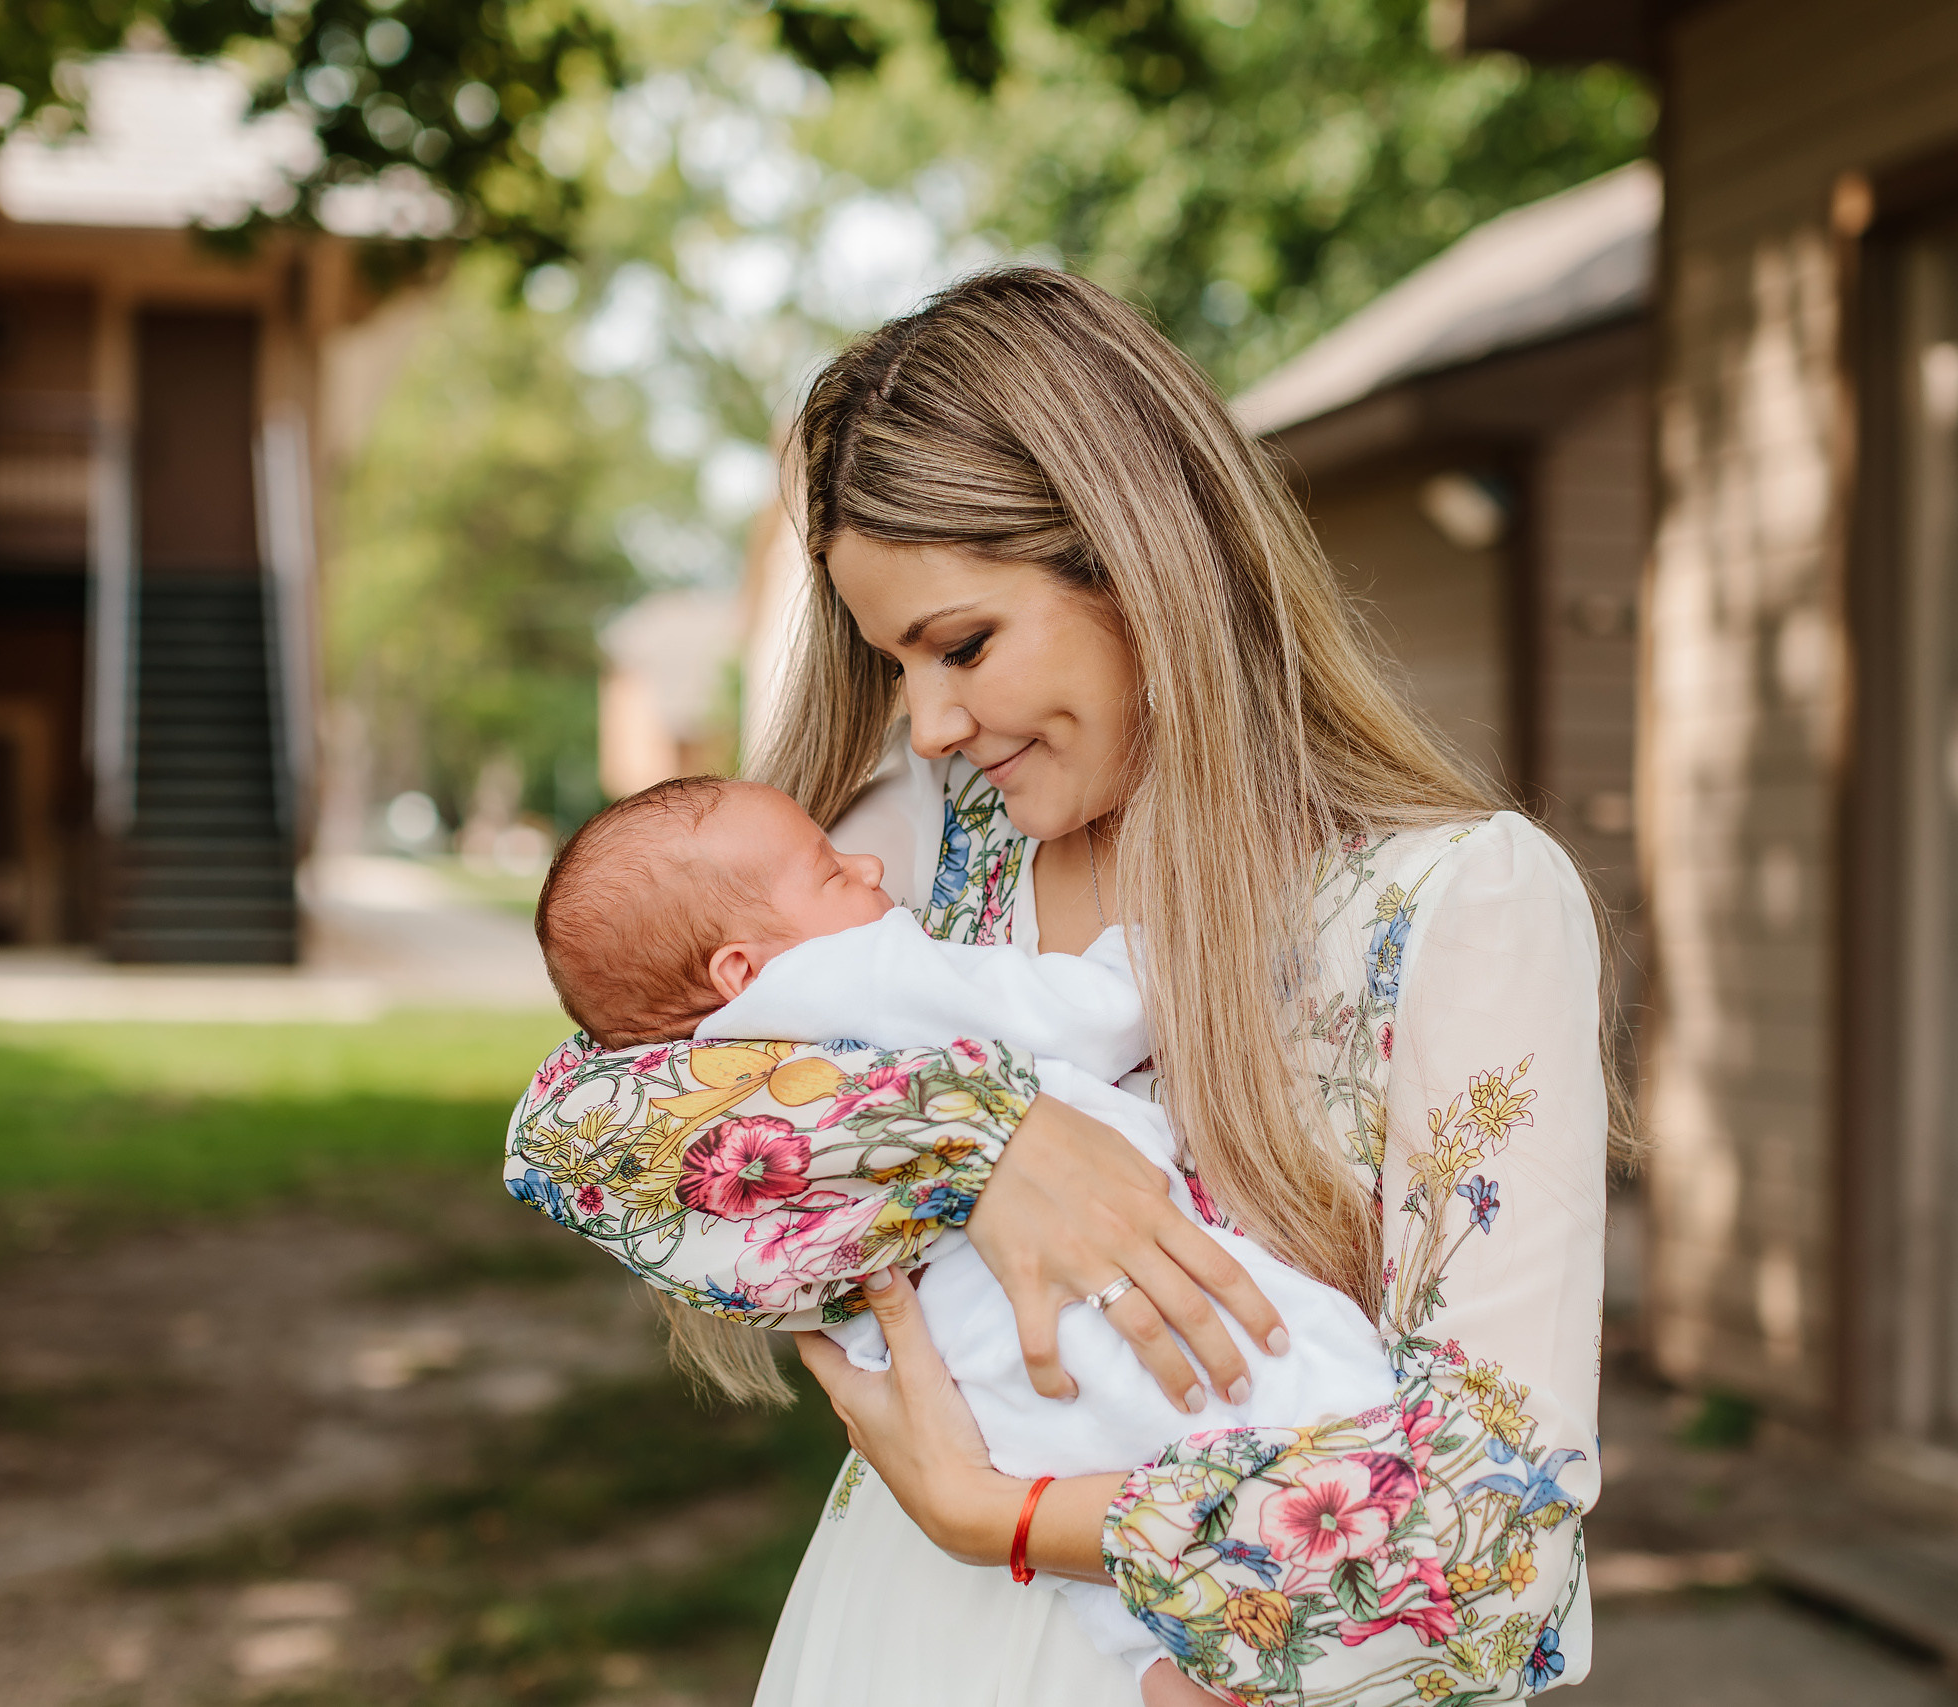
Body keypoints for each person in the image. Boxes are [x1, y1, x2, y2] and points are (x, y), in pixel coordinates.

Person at [503, 266, 1624, 1705]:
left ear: (1142, 561)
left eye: (963, 643)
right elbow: (573, 1131)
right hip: (898, 1640)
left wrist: (1007, 1518)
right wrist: (982, 1140)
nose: (932, 717)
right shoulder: (912, 854)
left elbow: (1496, 1521)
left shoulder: (1452, 901)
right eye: (894, 660)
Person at [521, 773, 1397, 1695]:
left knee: (1101, 1483)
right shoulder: (840, 974)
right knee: (1321, 1391)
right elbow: (1085, 1018)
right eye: (828, 870)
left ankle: (1165, 1662)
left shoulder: (699, 1074)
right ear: (743, 970)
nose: (866, 866)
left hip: (974, 1378)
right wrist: (1174, 936)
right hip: (1078, 1303)